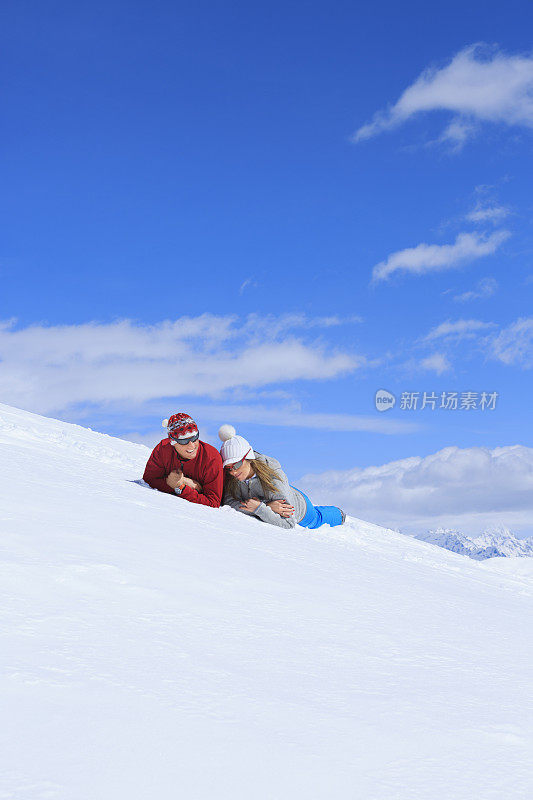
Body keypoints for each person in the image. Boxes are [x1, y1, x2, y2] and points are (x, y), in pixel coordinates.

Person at [218, 425, 345, 529]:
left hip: (299, 507)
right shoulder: (232, 478)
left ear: (249, 458)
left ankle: (340, 515)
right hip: (282, 493)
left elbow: (288, 523)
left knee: (317, 519)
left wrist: (259, 508)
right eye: (228, 468)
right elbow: (229, 503)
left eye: (237, 464)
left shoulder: (273, 476)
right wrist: (265, 507)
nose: (233, 472)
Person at [143, 413, 223, 507]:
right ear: (172, 442)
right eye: (183, 441)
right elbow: (149, 480)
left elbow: (213, 502)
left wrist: (181, 487)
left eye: (194, 438)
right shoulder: (163, 449)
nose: (192, 446)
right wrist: (183, 483)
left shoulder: (211, 457)